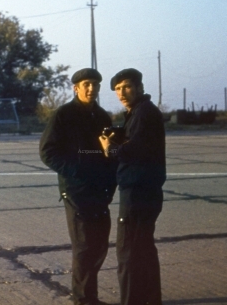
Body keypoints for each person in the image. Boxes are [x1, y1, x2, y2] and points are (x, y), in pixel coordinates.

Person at [39, 68, 117, 305]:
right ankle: (83, 300)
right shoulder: (63, 115)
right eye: (86, 84)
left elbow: (107, 153)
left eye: (95, 84)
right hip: (76, 192)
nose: (91, 88)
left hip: (99, 192)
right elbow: (47, 152)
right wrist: (76, 172)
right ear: (76, 88)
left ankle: (89, 296)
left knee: (99, 246)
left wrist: (109, 181)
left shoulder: (102, 116)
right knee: (84, 249)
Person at [99, 68, 166, 305]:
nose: (121, 93)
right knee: (144, 251)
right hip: (147, 192)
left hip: (137, 194)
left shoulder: (143, 113)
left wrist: (110, 148)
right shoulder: (139, 112)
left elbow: (132, 151)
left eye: (126, 87)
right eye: (117, 89)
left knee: (128, 255)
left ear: (139, 87)